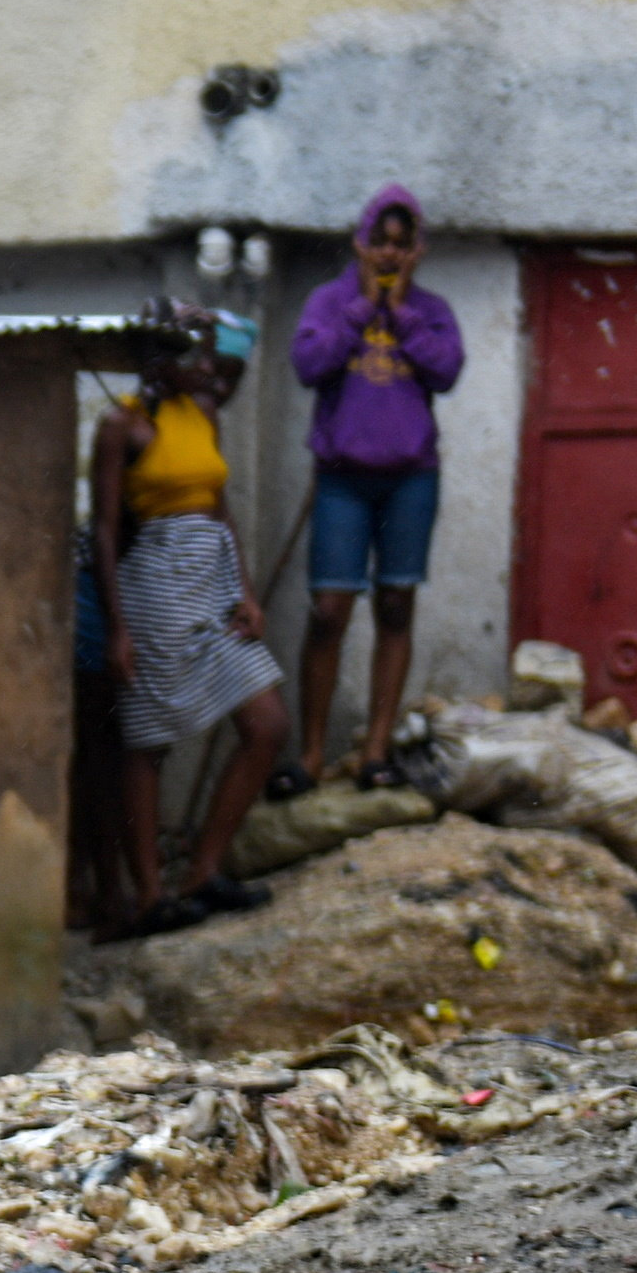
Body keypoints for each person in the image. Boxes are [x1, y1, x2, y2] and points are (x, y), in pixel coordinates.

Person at [90, 308, 302, 937]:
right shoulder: (121, 425)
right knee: (149, 742)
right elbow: (104, 531)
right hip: (154, 585)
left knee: (267, 724)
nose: (209, 368)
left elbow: (220, 507)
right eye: (196, 356)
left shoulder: (203, 416)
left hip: (211, 583)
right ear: (160, 359)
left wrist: (245, 592)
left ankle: (203, 871)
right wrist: (118, 628)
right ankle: (151, 896)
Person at [289, 185, 464, 784]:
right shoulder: (328, 301)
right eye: (379, 242)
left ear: (417, 250)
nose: (389, 254)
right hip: (342, 481)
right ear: (360, 243)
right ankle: (311, 755)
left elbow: (447, 370)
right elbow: (308, 365)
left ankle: (376, 753)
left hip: (410, 480)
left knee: (395, 605)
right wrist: (364, 308)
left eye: (401, 243)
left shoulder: (431, 308)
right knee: (329, 611)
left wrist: (403, 314)